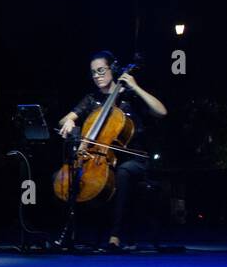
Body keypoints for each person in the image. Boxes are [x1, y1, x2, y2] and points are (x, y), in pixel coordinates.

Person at [55, 51, 166, 250]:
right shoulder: (91, 99)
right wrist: (70, 121)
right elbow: (65, 119)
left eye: (101, 70)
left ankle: (115, 235)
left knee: (122, 173)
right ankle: (68, 233)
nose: (97, 75)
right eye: (93, 72)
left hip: (135, 159)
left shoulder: (130, 97)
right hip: (101, 158)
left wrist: (135, 87)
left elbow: (161, 112)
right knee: (65, 177)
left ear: (112, 70)